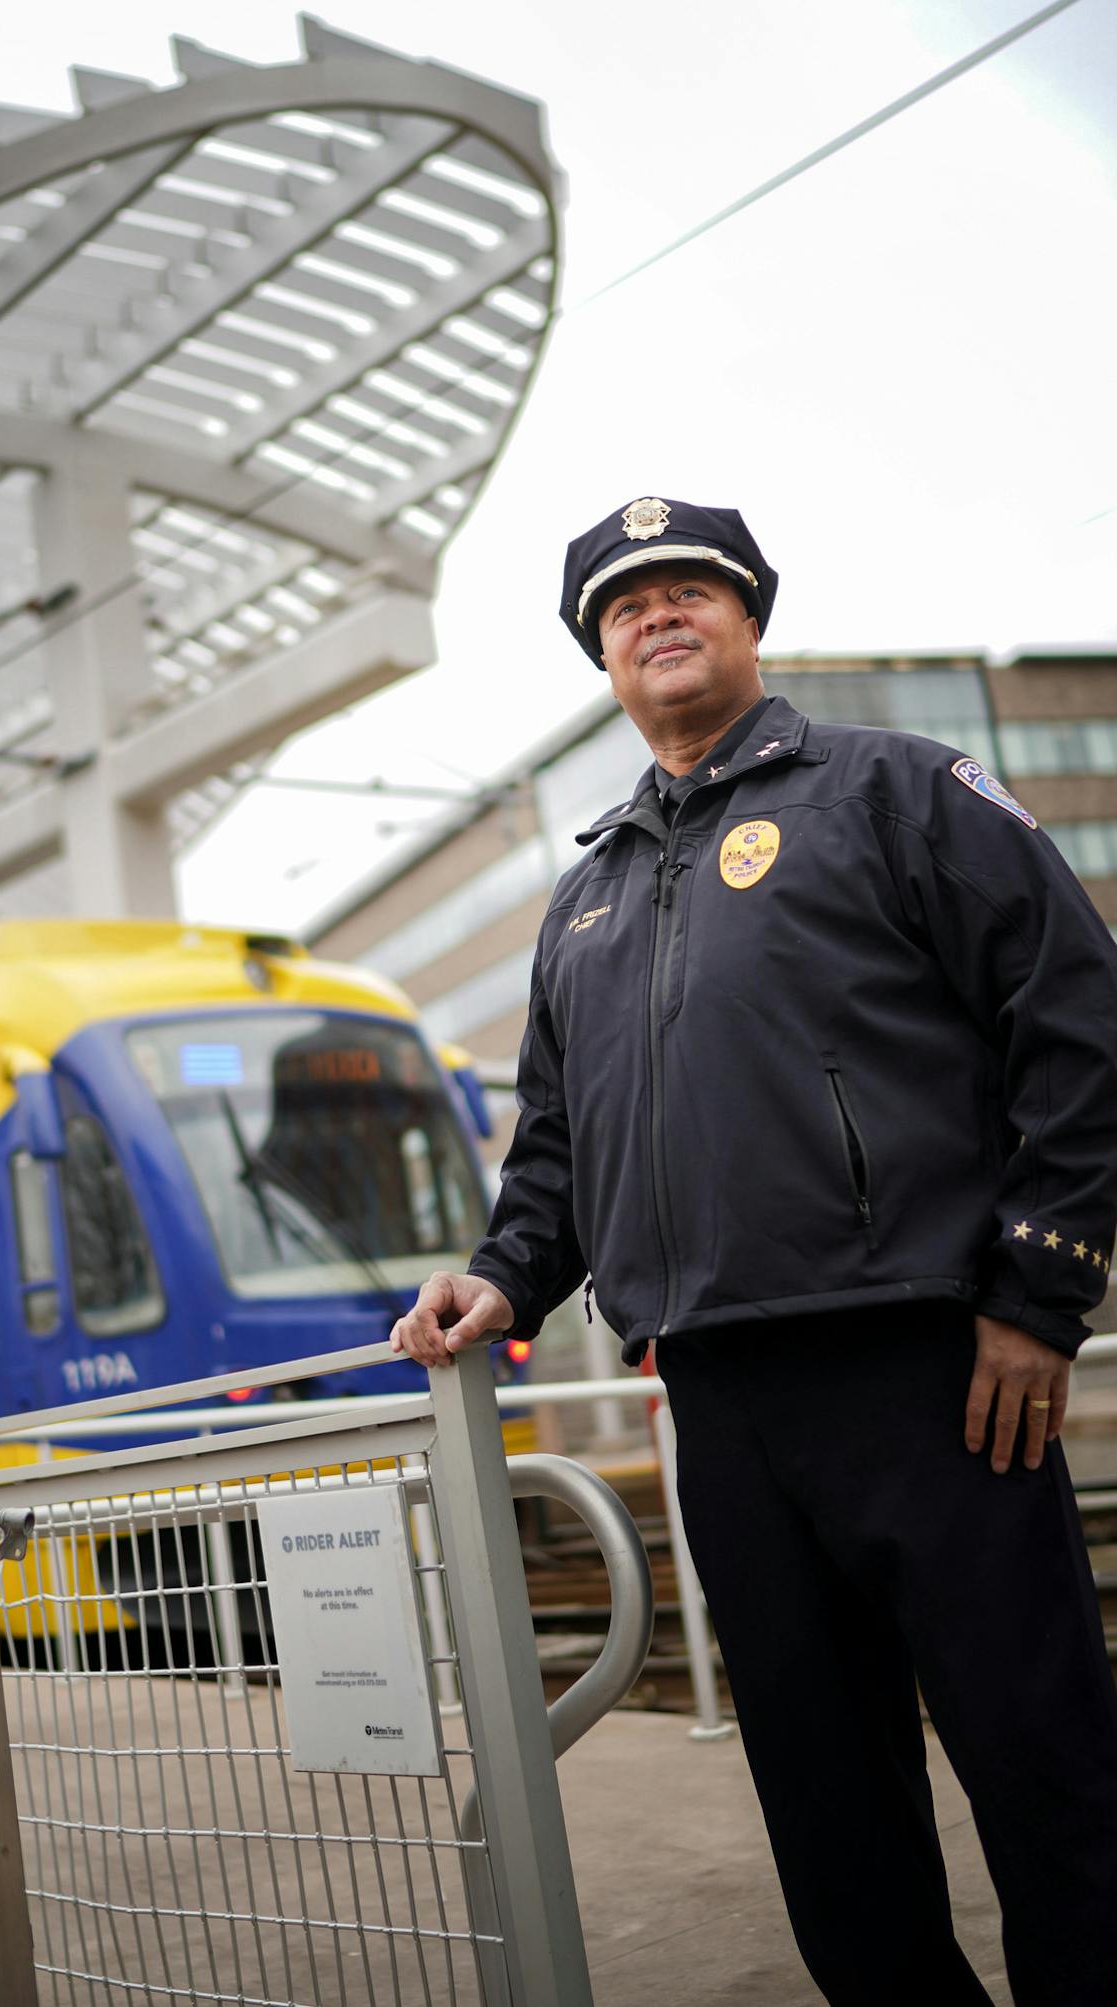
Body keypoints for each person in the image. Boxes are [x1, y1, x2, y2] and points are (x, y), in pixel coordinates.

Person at [390, 495, 1117, 2005]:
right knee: (829, 1817)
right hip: (719, 1401)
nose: (657, 613)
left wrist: (1040, 1296)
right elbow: (559, 1153)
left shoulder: (899, 789)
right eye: (623, 603)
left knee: (1047, 1769)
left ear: (749, 619)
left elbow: (1079, 1021)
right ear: (602, 656)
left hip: (935, 1377)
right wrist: (503, 1273)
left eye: (689, 589)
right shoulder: (583, 899)